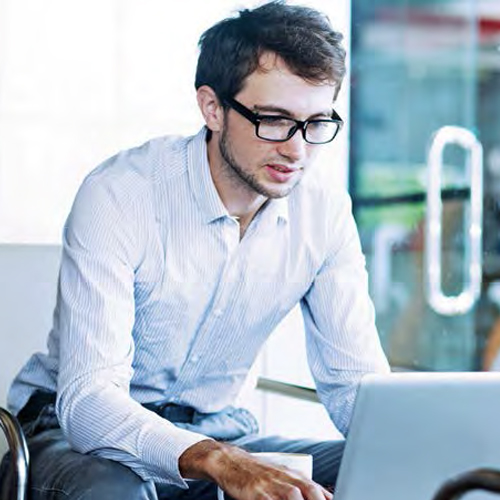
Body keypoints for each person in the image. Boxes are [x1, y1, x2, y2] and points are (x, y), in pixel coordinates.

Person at [4, 1, 390, 499]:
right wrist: (218, 460)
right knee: (111, 490)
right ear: (212, 108)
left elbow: (355, 387)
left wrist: (423, 449)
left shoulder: (325, 211)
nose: (297, 150)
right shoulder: (122, 194)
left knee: (385, 470)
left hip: (221, 430)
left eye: (316, 124)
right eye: (274, 119)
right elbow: (89, 402)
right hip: (74, 438)